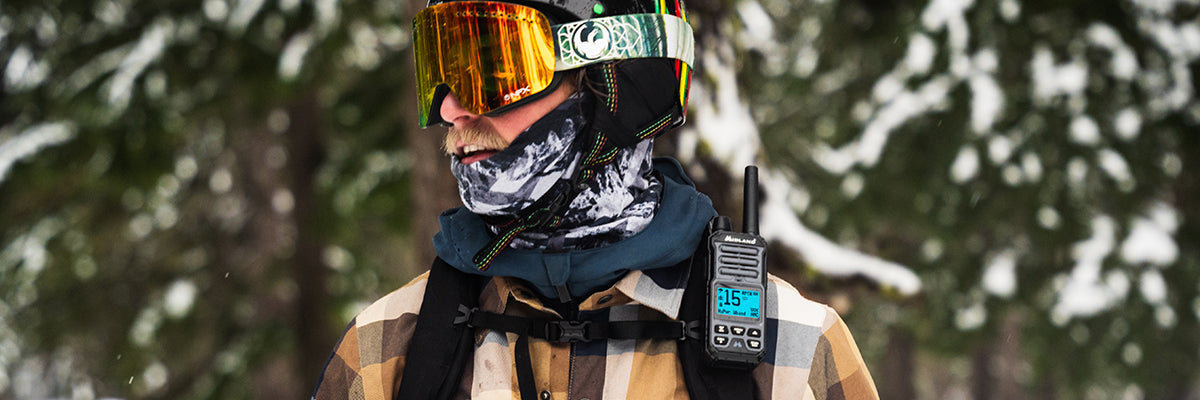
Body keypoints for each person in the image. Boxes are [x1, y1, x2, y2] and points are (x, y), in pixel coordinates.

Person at [313, 0, 880, 398]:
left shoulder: (793, 353)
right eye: (442, 70)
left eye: (493, 69)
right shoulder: (388, 347)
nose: (451, 109)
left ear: (613, 81)